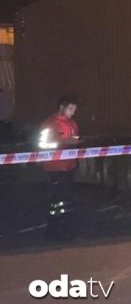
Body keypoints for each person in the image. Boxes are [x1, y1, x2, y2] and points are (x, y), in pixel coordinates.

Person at [39, 95, 81, 240]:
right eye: (71, 109)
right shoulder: (50, 124)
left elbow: (75, 141)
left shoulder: (73, 124)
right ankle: (54, 230)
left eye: (74, 109)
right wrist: (63, 143)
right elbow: (43, 144)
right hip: (55, 167)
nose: (73, 112)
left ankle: (66, 229)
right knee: (57, 200)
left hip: (69, 167)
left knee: (67, 200)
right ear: (62, 107)